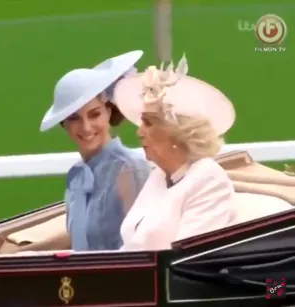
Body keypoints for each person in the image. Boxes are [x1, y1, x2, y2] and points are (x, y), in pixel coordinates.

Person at [113, 55, 237, 251]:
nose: (139, 132)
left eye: (149, 123)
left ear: (177, 133)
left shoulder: (208, 178)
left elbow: (189, 258)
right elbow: (130, 247)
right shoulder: (159, 175)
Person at [38, 50, 151, 251]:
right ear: (63, 123)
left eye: (94, 114)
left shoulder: (130, 168)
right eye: (74, 118)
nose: (86, 127)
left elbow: (142, 248)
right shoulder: (76, 177)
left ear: (109, 112)